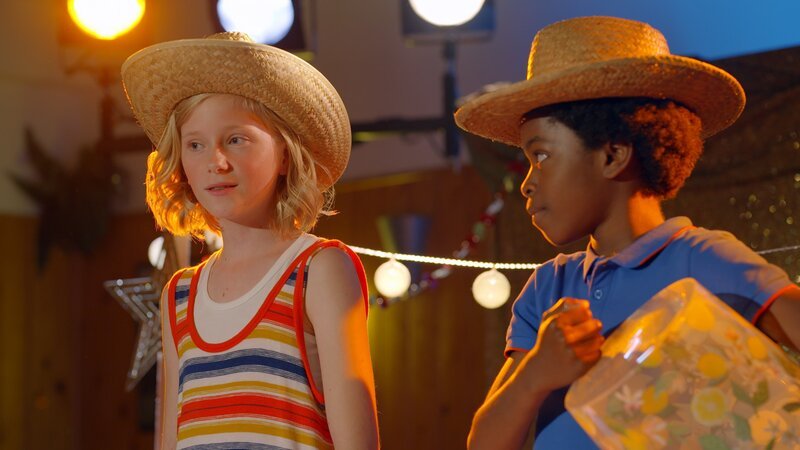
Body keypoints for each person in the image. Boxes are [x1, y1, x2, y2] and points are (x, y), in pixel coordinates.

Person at [454, 16, 800, 450]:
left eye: (540, 154)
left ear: (613, 154)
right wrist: (534, 377)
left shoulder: (704, 259)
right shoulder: (547, 288)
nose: (527, 182)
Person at [121, 32, 379, 449]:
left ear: (283, 152)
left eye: (236, 139)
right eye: (195, 144)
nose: (215, 161)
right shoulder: (179, 296)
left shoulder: (319, 269)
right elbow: (171, 437)